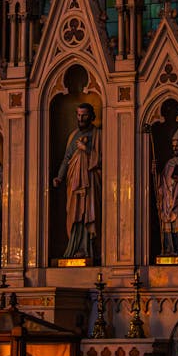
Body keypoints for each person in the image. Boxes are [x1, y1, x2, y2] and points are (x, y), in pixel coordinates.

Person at [53, 102, 102, 260]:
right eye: (79, 115)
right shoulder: (73, 135)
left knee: (87, 213)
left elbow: (103, 159)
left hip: (90, 185)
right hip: (74, 184)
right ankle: (74, 247)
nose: (81, 118)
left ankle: (88, 249)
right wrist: (59, 177)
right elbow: (67, 158)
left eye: (84, 115)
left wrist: (86, 149)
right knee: (74, 214)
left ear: (91, 116)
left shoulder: (97, 134)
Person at [153, 127, 178, 261]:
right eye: (173, 146)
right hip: (167, 200)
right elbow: (161, 181)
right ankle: (170, 249)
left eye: (177, 146)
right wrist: (156, 172)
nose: (175, 149)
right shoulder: (169, 163)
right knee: (168, 227)